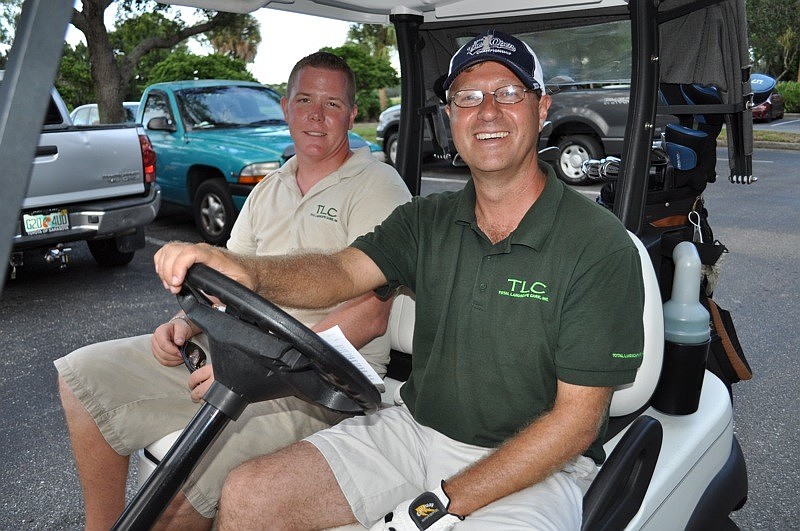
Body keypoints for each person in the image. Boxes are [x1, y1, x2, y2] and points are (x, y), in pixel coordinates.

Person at [154, 30, 645, 530]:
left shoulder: (596, 245)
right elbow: (340, 270)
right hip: (412, 431)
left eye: (509, 93)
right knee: (249, 496)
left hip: (536, 467)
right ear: (450, 117)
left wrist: (443, 501)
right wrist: (248, 271)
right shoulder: (426, 220)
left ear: (542, 109)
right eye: (468, 98)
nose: (488, 112)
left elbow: (574, 425)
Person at [54, 51, 411, 531]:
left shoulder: (377, 187)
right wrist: (186, 323)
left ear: (351, 114)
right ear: (285, 107)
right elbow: (226, 284)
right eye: (304, 100)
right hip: (235, 360)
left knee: (176, 489)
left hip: (318, 388)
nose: (316, 115)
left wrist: (266, 366)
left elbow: (372, 311)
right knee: (83, 375)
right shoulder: (269, 188)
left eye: (332, 104)